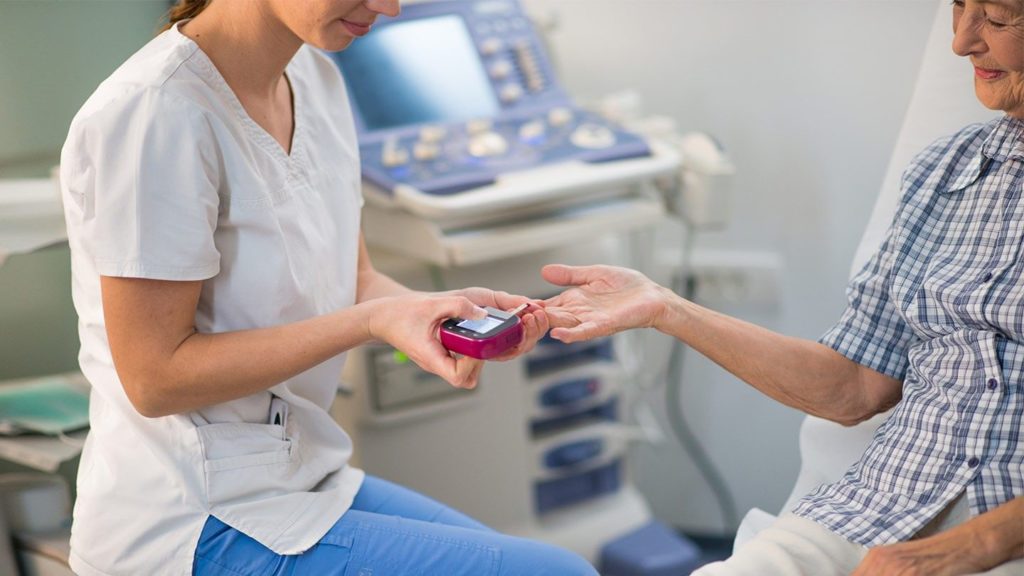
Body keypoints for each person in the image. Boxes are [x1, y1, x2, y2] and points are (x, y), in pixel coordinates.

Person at [58, 0, 598, 574]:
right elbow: (155, 378)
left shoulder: (314, 76)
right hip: (190, 516)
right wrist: (369, 324)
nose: (388, 8)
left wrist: (445, 314)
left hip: (303, 477)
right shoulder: (153, 112)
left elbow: (356, 279)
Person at [542, 1, 1024, 574]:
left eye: (997, 18)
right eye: (958, 8)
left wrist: (971, 547)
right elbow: (856, 386)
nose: (962, 42)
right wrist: (665, 309)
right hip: (871, 513)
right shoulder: (946, 171)